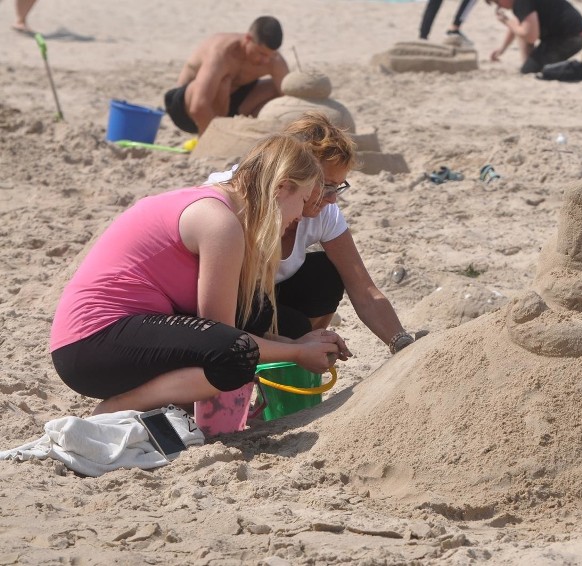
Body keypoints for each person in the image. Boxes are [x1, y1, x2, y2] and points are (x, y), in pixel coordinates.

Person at [50, 134, 350, 416]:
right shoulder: (219, 222)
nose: (301, 214)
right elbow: (225, 337)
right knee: (236, 357)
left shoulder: (222, 208)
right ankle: (118, 408)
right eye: (303, 200)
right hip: (91, 343)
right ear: (282, 188)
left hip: (102, 338)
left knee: (255, 314)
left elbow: (232, 327)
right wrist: (296, 354)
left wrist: (298, 344)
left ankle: (153, 404)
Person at [209, 112, 416, 355]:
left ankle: (298, 367)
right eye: (326, 185)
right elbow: (210, 303)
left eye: (339, 187)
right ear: (294, 175)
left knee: (324, 276)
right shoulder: (232, 199)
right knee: (290, 326)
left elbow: (364, 290)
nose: (332, 198)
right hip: (219, 301)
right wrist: (291, 346)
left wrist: (401, 343)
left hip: (264, 300)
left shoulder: (325, 211)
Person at [164, 16, 289, 136]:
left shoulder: (274, 60)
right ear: (247, 39)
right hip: (184, 110)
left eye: (270, 55)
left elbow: (290, 99)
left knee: (282, 89)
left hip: (230, 108)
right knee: (223, 83)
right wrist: (217, 138)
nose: (265, 61)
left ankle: (247, 132)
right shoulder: (221, 53)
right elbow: (198, 106)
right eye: (261, 53)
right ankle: (208, 139)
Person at [486, 0, 582, 74]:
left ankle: (574, 69)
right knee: (528, 68)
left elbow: (530, 36)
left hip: (569, 38)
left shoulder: (521, 3)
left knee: (530, 70)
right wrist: (502, 50)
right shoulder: (520, 3)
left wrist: (506, 21)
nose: (499, 7)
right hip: (572, 35)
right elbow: (519, 25)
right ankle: (528, 61)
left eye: (497, 3)